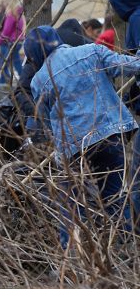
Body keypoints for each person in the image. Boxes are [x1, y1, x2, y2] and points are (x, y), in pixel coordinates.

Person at [26, 25, 140, 247]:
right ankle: (128, 254)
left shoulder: (38, 81)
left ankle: (72, 259)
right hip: (110, 135)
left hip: (74, 148)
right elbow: (132, 67)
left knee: (72, 204)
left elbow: (42, 126)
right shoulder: (91, 51)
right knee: (115, 197)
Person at [0, 3, 24, 82]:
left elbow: (6, 31)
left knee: (1, 65)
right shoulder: (19, 16)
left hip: (10, 43)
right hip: (17, 42)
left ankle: (4, 83)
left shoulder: (11, 15)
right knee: (16, 64)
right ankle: (23, 81)